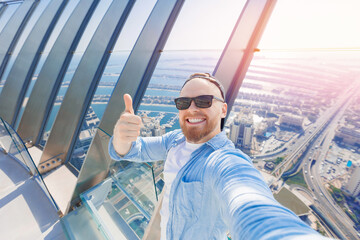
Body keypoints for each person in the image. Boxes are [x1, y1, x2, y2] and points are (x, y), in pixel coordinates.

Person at [109, 73, 331, 240]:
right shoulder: (174, 140)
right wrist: (121, 136)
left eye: (204, 101)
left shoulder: (224, 160)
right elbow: (129, 151)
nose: (192, 108)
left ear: (223, 110)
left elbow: (250, 203)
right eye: (184, 103)